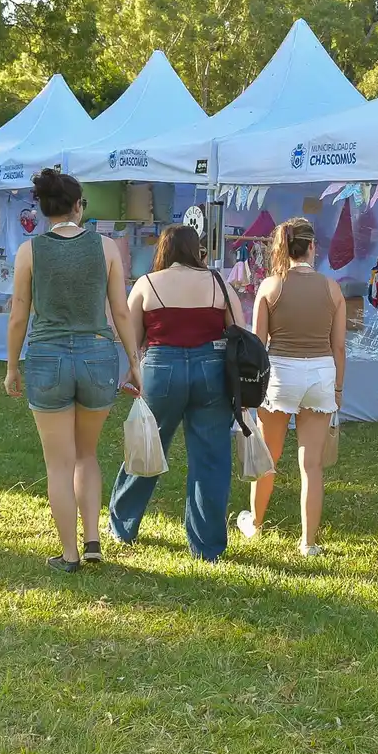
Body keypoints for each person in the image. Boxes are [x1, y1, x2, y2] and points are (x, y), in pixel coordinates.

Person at [4, 169, 140, 574]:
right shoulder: (107, 248)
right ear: (79, 206)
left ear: (45, 209)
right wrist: (133, 361)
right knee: (87, 454)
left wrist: (12, 366)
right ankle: (94, 540)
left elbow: (18, 315)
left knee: (58, 464)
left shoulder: (30, 251)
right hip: (98, 355)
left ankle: (69, 554)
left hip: (46, 358)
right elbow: (119, 311)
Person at [109, 224, 242, 561]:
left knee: (145, 446)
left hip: (161, 368)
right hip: (211, 369)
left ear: (163, 251)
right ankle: (207, 546)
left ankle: (122, 526)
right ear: (196, 249)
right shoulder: (218, 283)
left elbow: (132, 338)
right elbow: (239, 331)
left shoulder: (147, 284)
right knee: (211, 459)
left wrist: (134, 372)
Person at [236, 217, 345, 557]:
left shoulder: (270, 286)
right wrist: (338, 389)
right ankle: (308, 543)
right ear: (312, 247)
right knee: (311, 465)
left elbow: (257, 345)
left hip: (280, 375)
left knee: (269, 456)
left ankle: (255, 523)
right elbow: (338, 346)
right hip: (321, 375)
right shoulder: (332, 288)